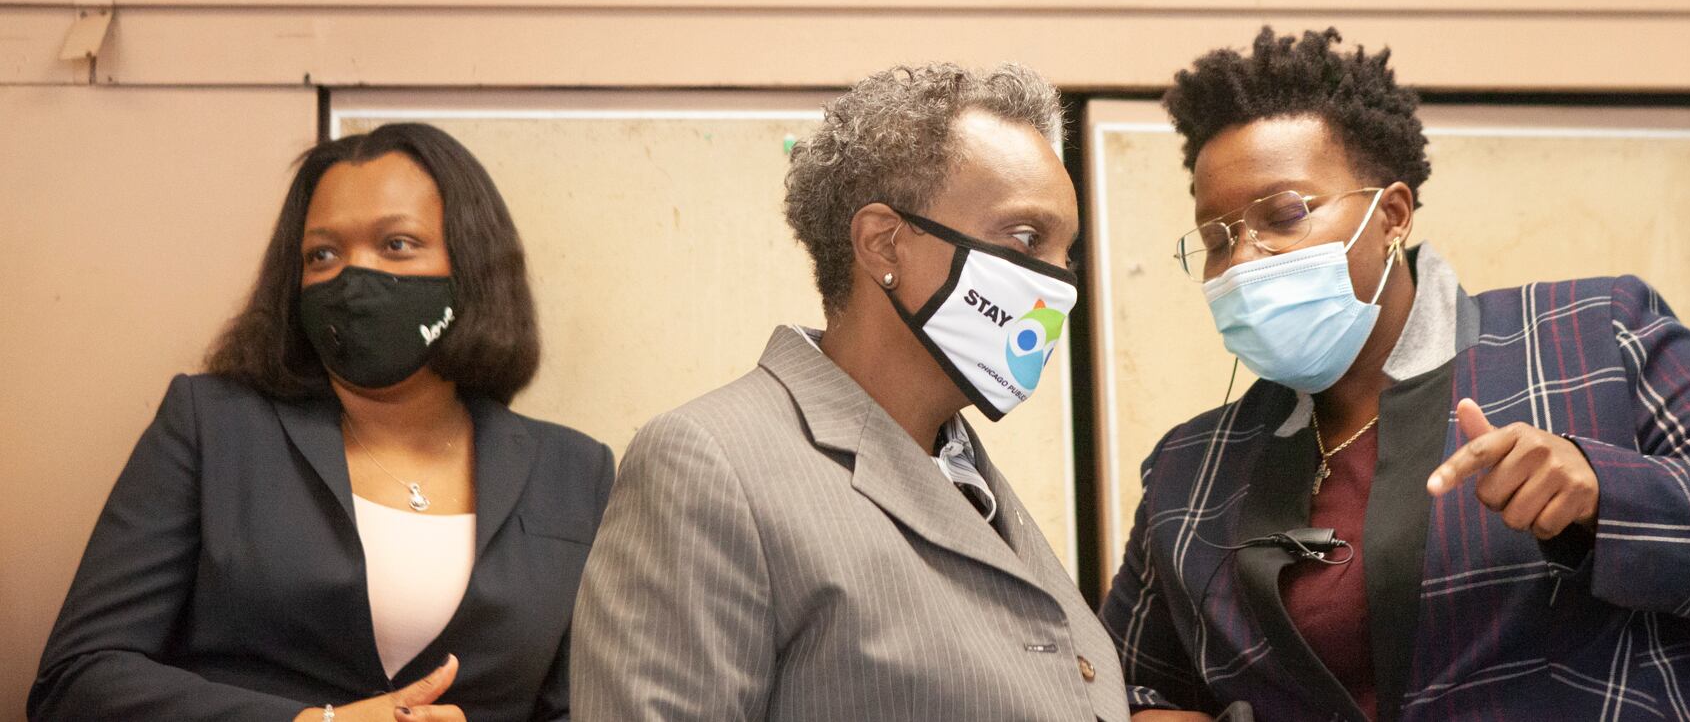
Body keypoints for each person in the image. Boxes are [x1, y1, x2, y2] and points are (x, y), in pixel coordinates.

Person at [1101, 28, 1690, 721]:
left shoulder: (1591, 339)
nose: (1244, 259)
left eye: (1284, 215)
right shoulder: (1193, 470)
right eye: (1217, 236)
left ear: (1393, 214)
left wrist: (1606, 494)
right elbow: (1128, 686)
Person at [573, 63, 1129, 721]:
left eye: (1066, 251)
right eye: (1027, 238)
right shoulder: (712, 463)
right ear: (882, 242)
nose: (1058, 282)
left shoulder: (964, 476)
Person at [31, 123, 615, 722]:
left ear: (472, 267)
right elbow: (78, 679)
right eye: (323, 254)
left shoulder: (576, 472)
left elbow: (581, 707)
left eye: (396, 244)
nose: (352, 279)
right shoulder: (214, 427)